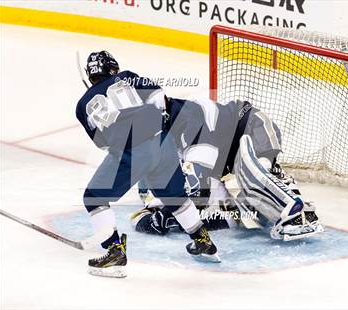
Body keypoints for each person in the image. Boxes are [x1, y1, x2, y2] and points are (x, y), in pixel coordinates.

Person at [76, 51, 220, 278]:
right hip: (163, 142)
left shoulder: (82, 104)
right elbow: (158, 95)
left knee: (94, 197)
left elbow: (101, 142)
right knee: (175, 196)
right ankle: (202, 240)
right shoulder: (126, 76)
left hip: (131, 150)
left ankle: (114, 251)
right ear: (112, 68)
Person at [130, 97, 323, 241]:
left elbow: (198, 188)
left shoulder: (188, 120)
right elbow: (142, 215)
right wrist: (165, 219)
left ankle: (281, 189)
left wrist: (175, 212)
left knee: (253, 170)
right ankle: (278, 190)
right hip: (226, 162)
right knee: (243, 200)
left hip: (251, 125)